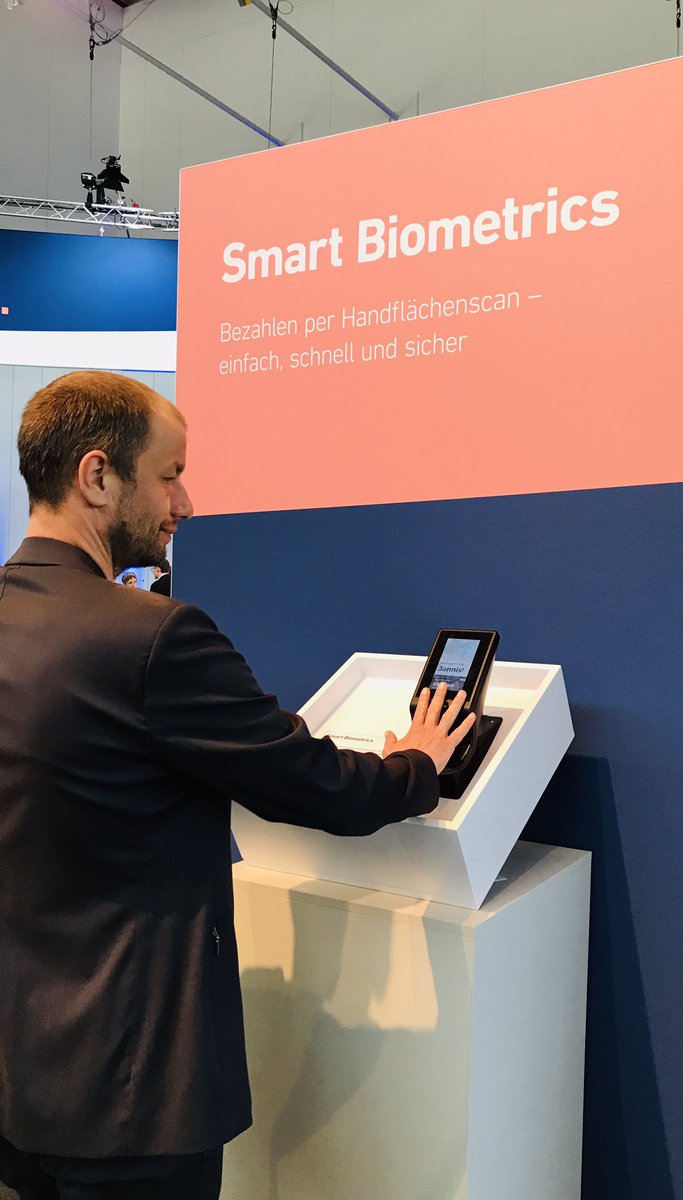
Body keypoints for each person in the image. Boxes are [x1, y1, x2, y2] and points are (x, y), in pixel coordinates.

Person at [0, 370, 474, 1200]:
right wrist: (418, 765)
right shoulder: (155, 639)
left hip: (19, 1082)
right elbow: (315, 784)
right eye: (171, 475)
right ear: (97, 475)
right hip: (131, 1097)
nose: (184, 505)